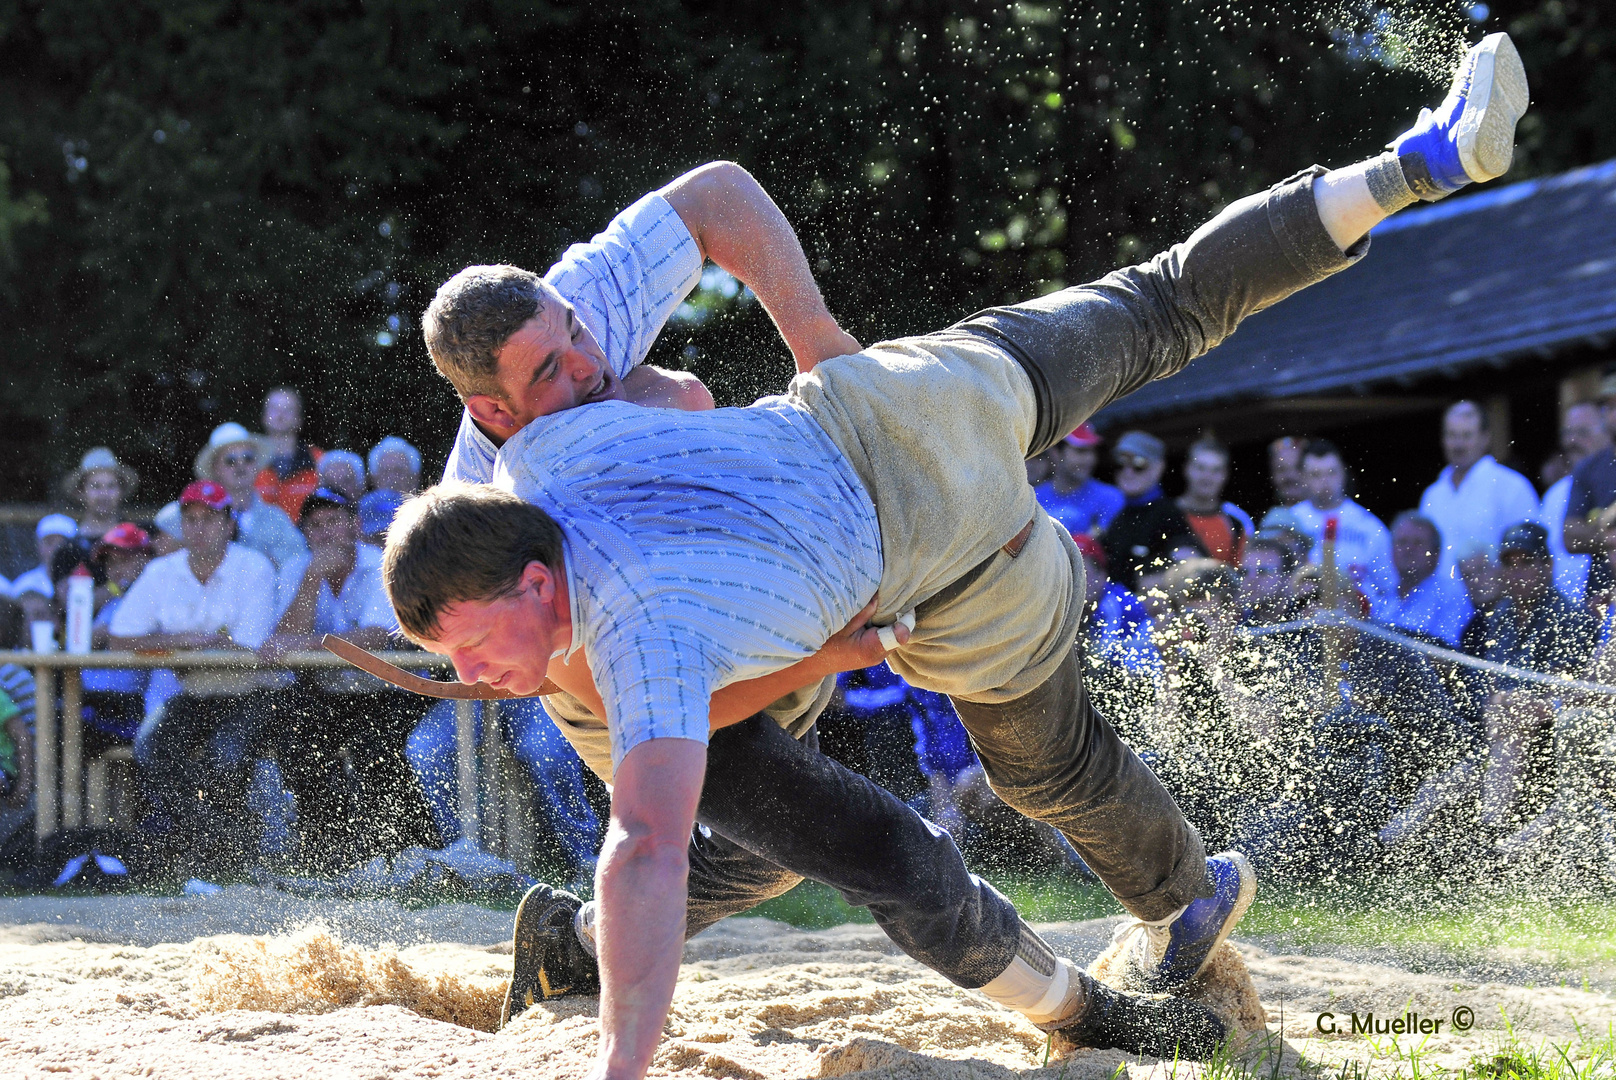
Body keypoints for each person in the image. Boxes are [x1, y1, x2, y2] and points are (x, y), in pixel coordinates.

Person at [391, 37, 1530, 1075]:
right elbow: (614, 757)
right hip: (821, 505)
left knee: (1022, 756)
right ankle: (1407, 163)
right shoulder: (528, 501)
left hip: (888, 512)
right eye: (551, 375)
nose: (584, 362)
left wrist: (807, 340)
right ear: (490, 412)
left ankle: (1178, 906)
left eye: (577, 343)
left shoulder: (555, 369)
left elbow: (711, 203)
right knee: (1163, 302)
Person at [109, 481, 281, 866]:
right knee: (150, 747)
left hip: (254, 691)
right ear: (181, 525)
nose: (199, 527)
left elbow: (251, 650)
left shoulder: (254, 566)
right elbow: (119, 638)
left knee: (225, 754)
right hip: (197, 690)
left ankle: (216, 847)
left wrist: (180, 646)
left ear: (227, 524)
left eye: (209, 518)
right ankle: (221, 844)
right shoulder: (161, 570)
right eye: (191, 519)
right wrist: (183, 640)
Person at [262, 488, 438, 864]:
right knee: (296, 739)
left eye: (334, 521)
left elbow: (379, 635)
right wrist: (310, 582)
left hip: (393, 690)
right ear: (306, 534)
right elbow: (279, 640)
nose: (325, 533)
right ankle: (325, 849)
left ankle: (401, 850)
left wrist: (310, 643)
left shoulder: (382, 562)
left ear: (354, 525)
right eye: (316, 525)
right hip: (330, 692)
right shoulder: (298, 569)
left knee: (375, 748)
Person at [1418, 400, 1540, 580]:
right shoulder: (1432, 495)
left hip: (1496, 603)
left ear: (1485, 438)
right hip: (1441, 605)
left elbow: (1530, 554)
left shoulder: (1512, 486)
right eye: (1452, 435)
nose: (1458, 445)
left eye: (1467, 435)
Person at [1287, 438, 1398, 618]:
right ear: (1303, 478)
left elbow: (1390, 588)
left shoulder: (1368, 525)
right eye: (1316, 474)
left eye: (1332, 472)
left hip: (1363, 626)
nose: (1325, 481)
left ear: (1344, 473)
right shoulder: (1292, 522)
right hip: (1306, 625)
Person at [196, 422, 308, 571]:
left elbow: (299, 566)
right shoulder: (195, 517)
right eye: (230, 460)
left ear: (257, 465)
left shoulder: (276, 519)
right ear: (215, 468)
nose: (240, 465)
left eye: (248, 458)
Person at [1099, 430, 1200, 591]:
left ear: (1158, 468)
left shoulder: (1168, 514)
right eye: (1120, 463)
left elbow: (1191, 568)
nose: (1128, 471)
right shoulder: (1119, 515)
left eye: (1139, 464)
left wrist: (1150, 585)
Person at [1543, 401, 1609, 603]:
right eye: (1567, 433)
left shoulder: (1610, 484)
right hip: (1563, 617)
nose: (1573, 440)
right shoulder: (1553, 495)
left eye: (1583, 432)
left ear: (1607, 434)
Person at [1383, 512, 1473, 647]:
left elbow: (1445, 660)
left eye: (1418, 543)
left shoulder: (1451, 597)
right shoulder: (1383, 595)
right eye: (1402, 542)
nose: (1408, 549)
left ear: (1436, 554)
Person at [1032, 424, 1124, 538]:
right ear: (1055, 453)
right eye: (1081, 451)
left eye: (1093, 451)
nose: (1090, 459)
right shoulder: (1033, 498)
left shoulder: (1110, 497)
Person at [1176, 437, 1252, 566]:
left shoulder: (1235, 522)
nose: (1207, 477)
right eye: (1201, 468)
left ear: (1225, 475)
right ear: (1187, 469)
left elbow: (1241, 575)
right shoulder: (1163, 514)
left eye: (1216, 470)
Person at [256, 387, 324, 521]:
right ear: (264, 417)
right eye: (274, 408)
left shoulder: (319, 460)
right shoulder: (248, 461)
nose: (280, 415)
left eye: (288, 410)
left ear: (299, 419)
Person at [61, 447, 139, 541]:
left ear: (121, 491)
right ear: (81, 491)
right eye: (96, 486)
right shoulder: (70, 542)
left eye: (111, 486)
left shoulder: (135, 539)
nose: (104, 494)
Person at [10, 513, 77, 606]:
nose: (55, 548)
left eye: (62, 543)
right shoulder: (24, 585)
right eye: (49, 542)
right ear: (38, 546)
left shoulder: (84, 582)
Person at [1239, 534, 1298, 626]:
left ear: (1287, 577)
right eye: (1244, 572)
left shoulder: (1307, 622)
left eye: (1263, 571)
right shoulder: (1240, 625)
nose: (1251, 579)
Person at [1259, 436, 1310, 524]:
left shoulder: (1330, 516)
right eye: (1281, 469)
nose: (1290, 476)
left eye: (1297, 467)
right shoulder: (1270, 522)